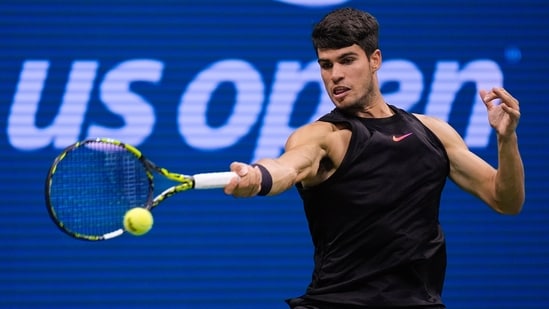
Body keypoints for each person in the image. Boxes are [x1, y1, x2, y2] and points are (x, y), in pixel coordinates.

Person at [224, 7, 525, 309]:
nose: (335, 75)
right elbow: (286, 167)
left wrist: (506, 138)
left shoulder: (433, 132)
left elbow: (505, 200)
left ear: (375, 60)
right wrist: (259, 177)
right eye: (325, 65)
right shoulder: (325, 136)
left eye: (347, 60)